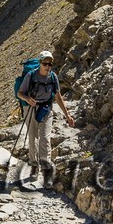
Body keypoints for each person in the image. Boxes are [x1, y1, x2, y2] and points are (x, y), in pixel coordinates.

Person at [16, 50, 69, 178]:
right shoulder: (31, 76)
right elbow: (20, 93)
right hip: (31, 108)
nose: (47, 66)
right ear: (40, 63)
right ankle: (34, 166)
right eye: (45, 63)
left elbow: (58, 96)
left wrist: (67, 115)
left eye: (50, 64)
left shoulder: (53, 77)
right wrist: (27, 99)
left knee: (45, 139)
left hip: (46, 108)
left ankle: (46, 169)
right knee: (33, 138)